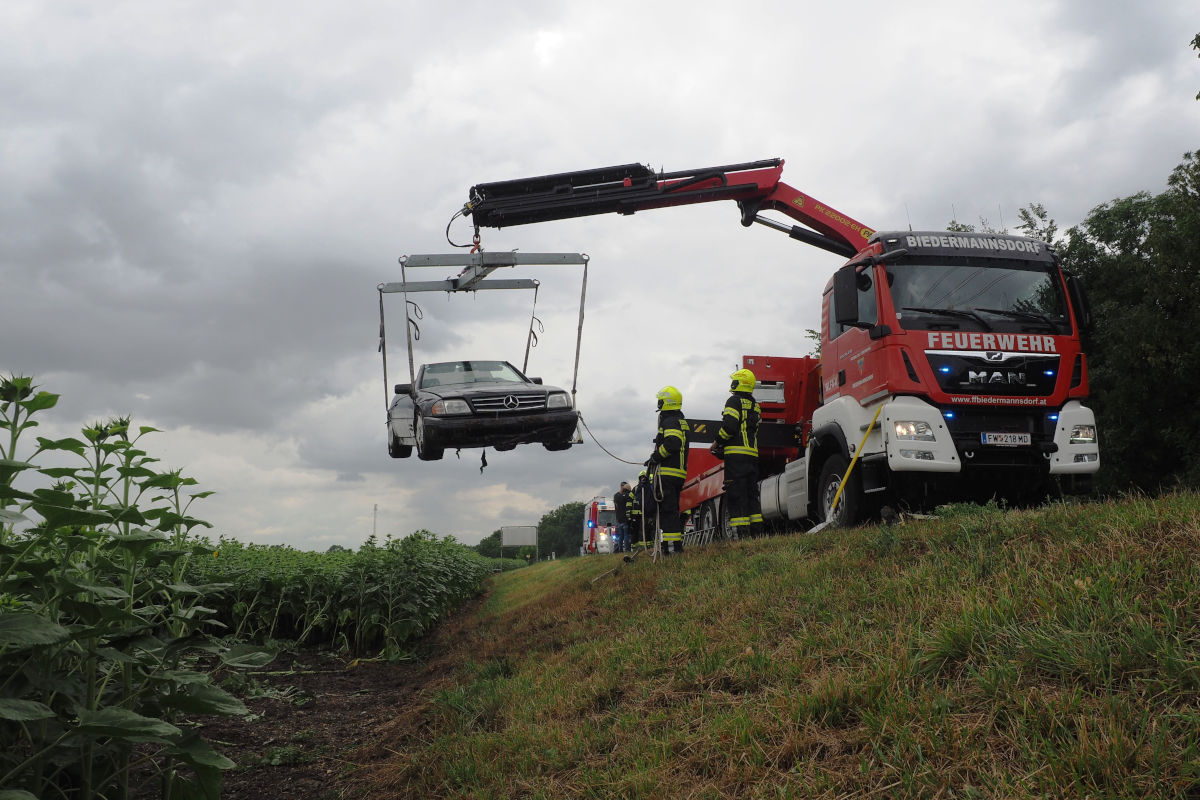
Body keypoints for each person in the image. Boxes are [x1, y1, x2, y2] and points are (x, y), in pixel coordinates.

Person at [710, 367, 763, 539]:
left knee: (737, 495)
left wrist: (717, 442)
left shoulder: (733, 401)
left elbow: (730, 427)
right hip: (752, 457)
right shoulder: (755, 405)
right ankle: (757, 534)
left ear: (739, 383)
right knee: (751, 495)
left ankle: (742, 536)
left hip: (736, 458)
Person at [648, 386, 689, 555]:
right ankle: (673, 546)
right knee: (671, 511)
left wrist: (656, 457)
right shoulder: (680, 420)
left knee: (668, 511)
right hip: (677, 473)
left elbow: (672, 443)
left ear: (666, 402)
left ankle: (671, 549)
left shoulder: (670, 421)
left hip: (668, 473)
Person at [633, 468, 653, 550]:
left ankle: (650, 546)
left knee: (650, 530)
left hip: (650, 511)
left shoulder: (651, 487)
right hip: (641, 513)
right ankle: (644, 547)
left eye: (644, 477)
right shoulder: (638, 488)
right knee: (643, 530)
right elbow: (636, 499)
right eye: (641, 477)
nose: (643, 479)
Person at [613, 481, 632, 553]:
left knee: (621, 535)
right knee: (626, 535)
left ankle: (620, 549)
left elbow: (616, 506)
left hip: (619, 518)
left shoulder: (616, 496)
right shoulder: (627, 496)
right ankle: (627, 549)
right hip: (625, 518)